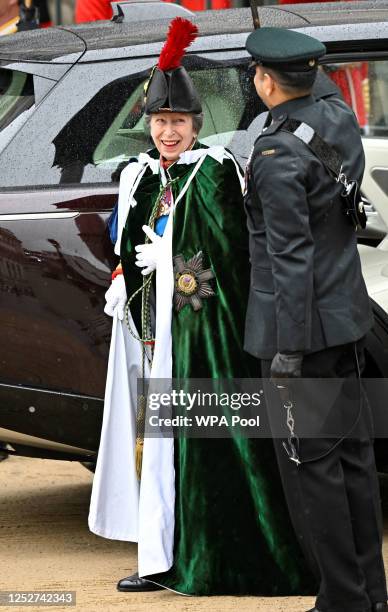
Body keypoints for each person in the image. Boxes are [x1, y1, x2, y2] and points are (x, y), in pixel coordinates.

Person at [89, 17, 315, 597]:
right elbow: (127, 240)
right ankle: (154, 551)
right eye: (161, 122)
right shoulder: (136, 175)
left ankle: (195, 554)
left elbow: (229, 257)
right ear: (149, 125)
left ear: (196, 124)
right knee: (147, 442)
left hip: (194, 330)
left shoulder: (214, 171)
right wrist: (124, 275)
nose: (169, 132)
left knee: (185, 443)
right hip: (143, 331)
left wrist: (175, 269)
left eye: (179, 122)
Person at [244, 26, 387, 612]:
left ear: (266, 81)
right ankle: (370, 595)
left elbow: (290, 259)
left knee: (314, 473)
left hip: (301, 332)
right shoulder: (334, 118)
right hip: (346, 319)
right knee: (353, 460)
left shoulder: (277, 153)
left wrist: (290, 352)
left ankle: (342, 602)